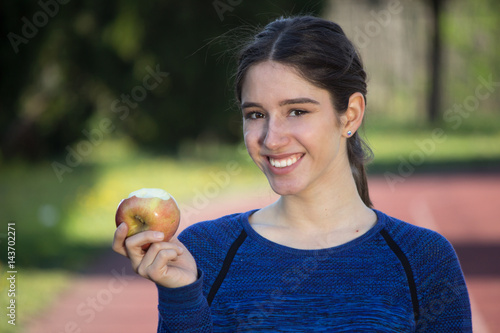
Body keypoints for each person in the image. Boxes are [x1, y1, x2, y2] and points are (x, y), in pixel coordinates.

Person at [112, 15, 472, 332]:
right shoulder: (204, 253)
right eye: (255, 114)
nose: (272, 138)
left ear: (351, 114)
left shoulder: (424, 259)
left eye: (297, 111)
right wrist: (181, 297)